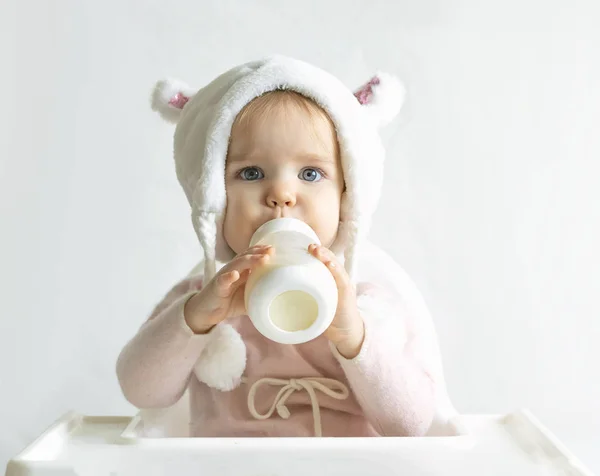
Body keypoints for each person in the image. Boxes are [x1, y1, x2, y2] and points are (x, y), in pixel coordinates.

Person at [116, 55, 457, 438]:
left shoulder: (365, 305)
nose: (281, 193)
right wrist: (195, 318)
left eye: (311, 173)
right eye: (251, 173)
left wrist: (354, 337)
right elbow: (140, 390)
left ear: (347, 197)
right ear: (212, 196)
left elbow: (410, 424)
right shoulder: (204, 299)